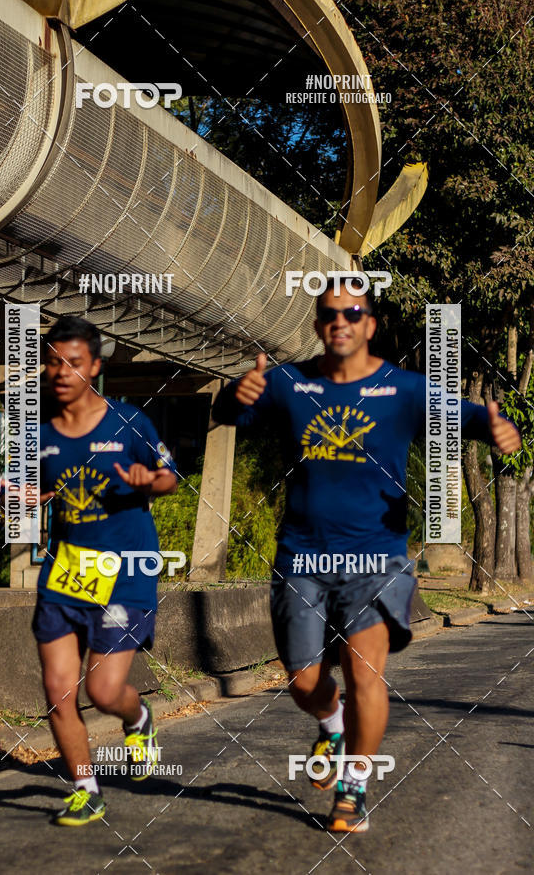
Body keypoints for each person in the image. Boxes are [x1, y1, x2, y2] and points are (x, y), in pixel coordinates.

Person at [212, 278, 521, 833]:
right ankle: (331, 725)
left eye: (353, 313)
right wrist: (237, 393)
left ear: (370, 324)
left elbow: (472, 418)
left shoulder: (403, 389)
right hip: (302, 556)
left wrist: (499, 428)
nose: (342, 322)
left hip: (376, 558)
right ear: (317, 325)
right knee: (304, 682)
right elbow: (230, 413)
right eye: (331, 313)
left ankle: (353, 789)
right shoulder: (288, 383)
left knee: (364, 673)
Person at [33, 315, 177, 826]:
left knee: (102, 692)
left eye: (73, 363)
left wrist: (148, 481)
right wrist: (24, 495)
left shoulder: (128, 422)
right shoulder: (40, 434)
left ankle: (138, 718)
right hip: (65, 574)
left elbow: (169, 477)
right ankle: (86, 790)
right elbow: (36, 489)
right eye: (53, 362)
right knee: (58, 692)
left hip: (124, 573)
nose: (62, 372)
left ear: (94, 366)